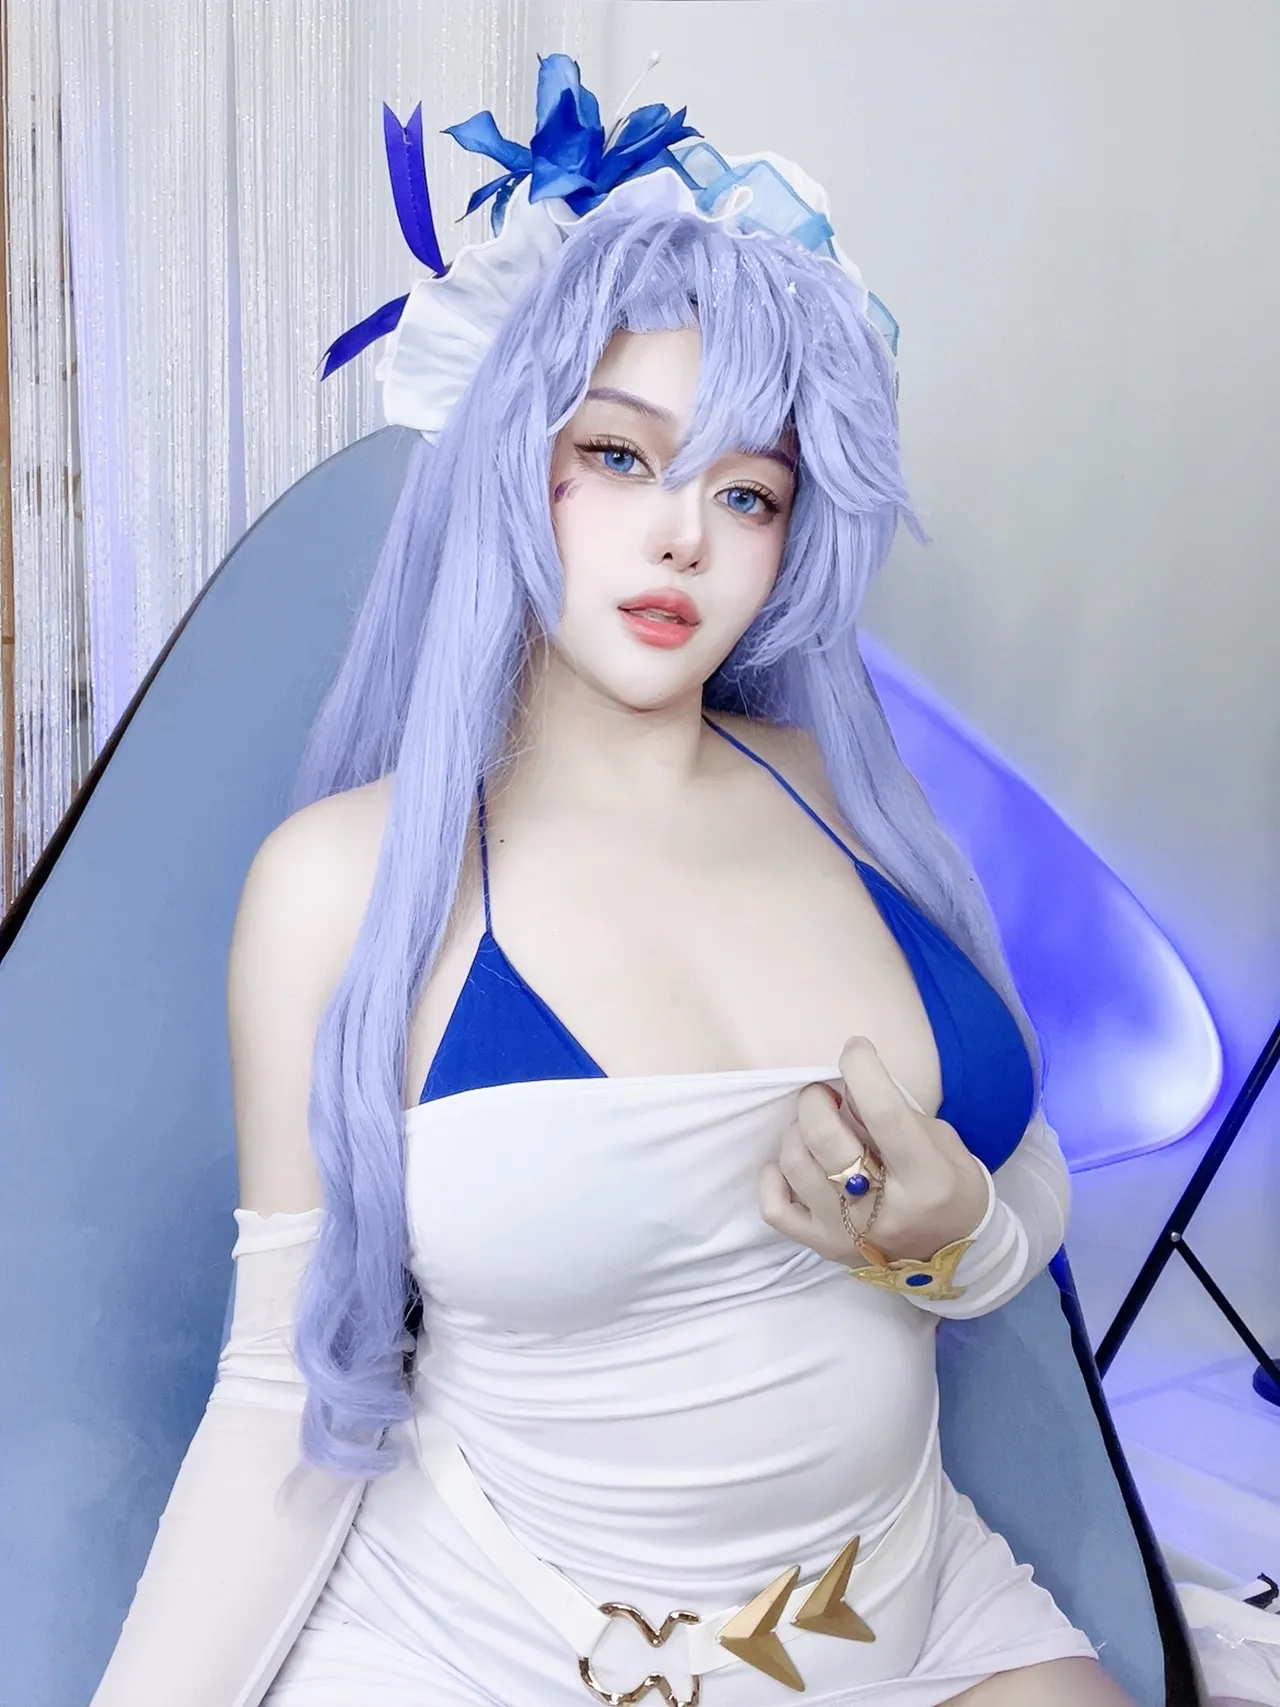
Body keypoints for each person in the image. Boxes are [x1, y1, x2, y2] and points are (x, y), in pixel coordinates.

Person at [92, 55, 1138, 1707]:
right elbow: (279, 1390)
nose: (684, 538)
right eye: (622, 456)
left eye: (746, 490)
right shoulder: (342, 884)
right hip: (491, 1646)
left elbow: (1019, 1186)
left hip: (907, 1610)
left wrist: (960, 1245)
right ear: (508, 459)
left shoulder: (855, 801)